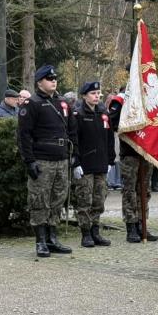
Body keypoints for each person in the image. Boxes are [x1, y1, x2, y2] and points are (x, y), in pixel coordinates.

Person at [18, 65, 77, 258]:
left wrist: (74, 153)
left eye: (55, 78)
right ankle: (40, 241)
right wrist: (29, 161)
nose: (54, 81)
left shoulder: (62, 103)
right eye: (49, 78)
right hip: (42, 160)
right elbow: (24, 135)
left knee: (58, 199)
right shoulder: (31, 103)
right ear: (39, 82)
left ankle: (52, 238)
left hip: (61, 159)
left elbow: (71, 130)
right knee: (39, 200)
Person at [109, 90, 158, 243]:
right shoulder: (121, 100)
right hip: (130, 152)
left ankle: (142, 223)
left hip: (146, 151)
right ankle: (131, 225)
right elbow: (114, 123)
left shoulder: (149, 97)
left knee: (144, 190)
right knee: (130, 190)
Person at [72, 82, 114, 247]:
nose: (97, 96)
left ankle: (96, 231)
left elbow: (109, 139)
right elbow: (74, 139)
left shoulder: (104, 113)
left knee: (99, 199)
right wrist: (75, 162)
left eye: (98, 93)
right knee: (85, 200)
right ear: (84, 96)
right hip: (85, 164)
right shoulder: (78, 114)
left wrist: (110, 160)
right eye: (93, 93)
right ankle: (86, 233)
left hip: (101, 163)